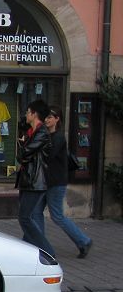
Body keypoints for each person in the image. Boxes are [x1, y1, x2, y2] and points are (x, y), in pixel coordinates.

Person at [38, 106, 92, 258]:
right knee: (33, 213)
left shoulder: (58, 137)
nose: (47, 120)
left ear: (57, 119)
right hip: (46, 181)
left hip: (56, 182)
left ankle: (84, 240)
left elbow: (48, 156)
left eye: (50, 117)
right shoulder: (48, 135)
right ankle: (35, 244)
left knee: (57, 216)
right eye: (46, 117)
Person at [15, 100, 55, 256]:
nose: (25, 115)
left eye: (27, 112)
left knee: (25, 218)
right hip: (28, 180)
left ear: (34, 114)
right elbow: (25, 155)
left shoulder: (42, 133)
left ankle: (48, 252)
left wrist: (22, 151)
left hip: (36, 181)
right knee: (27, 217)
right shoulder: (32, 132)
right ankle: (26, 251)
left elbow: (23, 154)